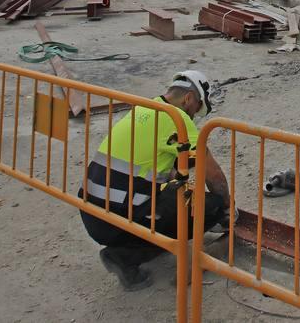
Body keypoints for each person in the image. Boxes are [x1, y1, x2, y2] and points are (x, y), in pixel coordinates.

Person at [79, 70, 231, 291]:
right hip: (114, 219)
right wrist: (226, 207)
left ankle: (130, 243)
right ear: (189, 99)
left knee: (174, 193)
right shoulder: (176, 119)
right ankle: (124, 256)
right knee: (209, 206)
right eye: (197, 109)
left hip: (91, 212)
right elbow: (213, 175)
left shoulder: (143, 108)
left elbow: (162, 169)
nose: (194, 117)